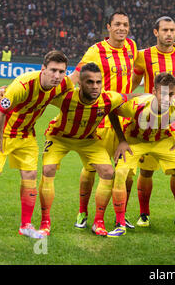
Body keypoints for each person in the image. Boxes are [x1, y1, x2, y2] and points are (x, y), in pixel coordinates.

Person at [0, 50, 73, 240]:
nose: (57, 76)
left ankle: (26, 225)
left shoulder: (64, 84)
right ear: (43, 69)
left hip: (26, 133)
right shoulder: (22, 85)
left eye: (61, 71)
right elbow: (0, 112)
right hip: (1, 131)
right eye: (53, 70)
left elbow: (73, 92)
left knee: (30, 174)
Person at [38, 62, 134, 237]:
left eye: (98, 82)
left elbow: (132, 96)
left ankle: (99, 221)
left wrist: (157, 97)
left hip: (88, 140)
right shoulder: (65, 97)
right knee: (48, 169)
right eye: (90, 82)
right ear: (80, 84)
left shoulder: (108, 98)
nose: (95, 86)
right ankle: (45, 222)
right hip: (60, 138)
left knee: (107, 171)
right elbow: (38, 95)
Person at [69, 11, 138, 230]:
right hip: (98, 121)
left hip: (125, 123)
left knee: (126, 175)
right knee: (91, 170)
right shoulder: (95, 51)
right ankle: (83, 212)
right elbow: (74, 77)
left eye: (125, 24)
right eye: (117, 24)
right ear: (108, 26)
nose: (122, 28)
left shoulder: (132, 47)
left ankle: (121, 214)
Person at [130, 16, 175, 228]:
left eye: (172, 30)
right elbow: (133, 82)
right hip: (150, 121)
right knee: (146, 171)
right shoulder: (143, 56)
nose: (169, 34)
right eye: (165, 30)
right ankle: (144, 214)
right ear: (156, 32)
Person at [109, 73, 175, 240]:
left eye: (170, 94)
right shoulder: (137, 104)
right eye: (163, 93)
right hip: (136, 140)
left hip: (163, 140)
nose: (167, 98)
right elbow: (113, 111)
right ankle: (119, 224)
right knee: (120, 174)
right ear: (154, 91)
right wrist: (121, 140)